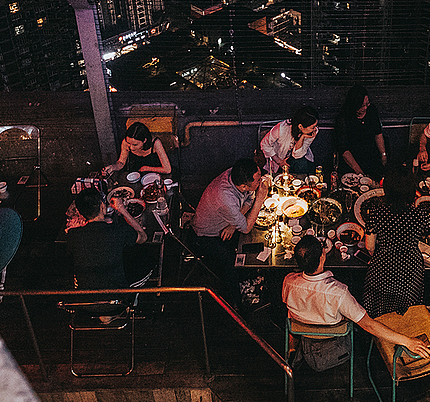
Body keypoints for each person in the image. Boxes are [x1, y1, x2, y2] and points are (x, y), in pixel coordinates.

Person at [282, 235, 430, 365]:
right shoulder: (339, 292)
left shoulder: (288, 281)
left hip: (303, 330)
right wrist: (408, 341)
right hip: (332, 333)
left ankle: (292, 346)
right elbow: (369, 325)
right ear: (322, 257)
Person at [362, 165, 430, 318]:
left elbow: (369, 246)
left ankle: (380, 322)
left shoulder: (376, 213)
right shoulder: (419, 215)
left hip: (382, 269)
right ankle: (405, 321)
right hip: (410, 272)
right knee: (406, 304)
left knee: (379, 300)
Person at [191, 158, 269, 303]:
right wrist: (260, 199)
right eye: (258, 181)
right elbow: (245, 228)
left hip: (227, 222)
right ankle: (236, 302)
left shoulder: (236, 174)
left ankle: (251, 276)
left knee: (251, 242)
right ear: (245, 185)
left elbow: (247, 200)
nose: (261, 181)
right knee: (230, 265)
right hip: (206, 236)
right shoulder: (225, 197)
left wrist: (234, 224)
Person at [66, 188, 148, 289]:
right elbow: (143, 237)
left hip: (86, 295)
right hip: (117, 294)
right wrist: (123, 210)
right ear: (102, 207)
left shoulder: (72, 235)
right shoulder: (119, 230)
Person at [335, 85, 386, 180]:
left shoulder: (371, 110)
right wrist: (360, 173)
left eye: (367, 104)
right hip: (352, 160)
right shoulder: (343, 119)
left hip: (371, 156)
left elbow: (378, 135)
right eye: (362, 105)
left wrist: (383, 156)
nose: (365, 108)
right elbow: (344, 150)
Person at [260, 106, 321, 176]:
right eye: (313, 127)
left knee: (301, 164)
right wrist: (279, 161)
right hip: (278, 157)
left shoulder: (311, 133)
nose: (315, 129)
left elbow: (297, 155)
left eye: (316, 126)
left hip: (296, 157)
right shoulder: (281, 129)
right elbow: (264, 144)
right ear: (300, 126)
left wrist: (302, 137)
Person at [101, 122, 172, 178]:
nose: (131, 148)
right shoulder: (125, 142)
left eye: (135, 145)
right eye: (129, 143)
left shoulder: (156, 143)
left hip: (156, 175)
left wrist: (146, 168)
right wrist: (112, 167)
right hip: (136, 175)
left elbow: (167, 169)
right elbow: (121, 163)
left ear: (144, 140)